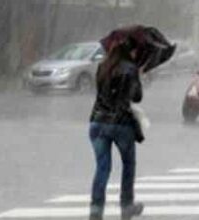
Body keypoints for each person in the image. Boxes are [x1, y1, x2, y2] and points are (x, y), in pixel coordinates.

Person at [89, 38, 144, 220]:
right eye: (135, 51)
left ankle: (96, 209)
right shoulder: (130, 68)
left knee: (102, 168)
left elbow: (101, 93)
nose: (136, 55)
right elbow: (137, 97)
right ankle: (126, 205)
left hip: (97, 122)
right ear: (130, 52)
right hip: (121, 124)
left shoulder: (103, 67)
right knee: (128, 165)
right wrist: (137, 76)